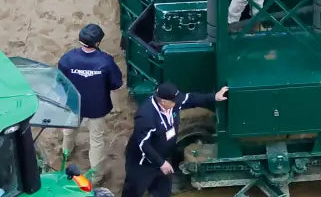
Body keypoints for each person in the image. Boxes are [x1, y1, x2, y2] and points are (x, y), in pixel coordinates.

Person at [122, 81, 229, 197]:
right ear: (163, 101)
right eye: (174, 101)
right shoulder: (146, 116)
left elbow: (190, 98)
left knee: (163, 192)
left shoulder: (173, 102)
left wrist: (214, 97)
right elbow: (143, 145)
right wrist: (161, 163)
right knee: (134, 191)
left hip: (164, 157)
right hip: (142, 164)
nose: (178, 102)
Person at [58, 25, 123, 183]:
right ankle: (96, 175)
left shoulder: (68, 58)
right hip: (97, 107)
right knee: (96, 140)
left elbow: (60, 80)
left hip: (74, 105)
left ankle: (66, 152)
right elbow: (116, 83)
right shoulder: (105, 61)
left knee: (68, 132)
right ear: (98, 42)